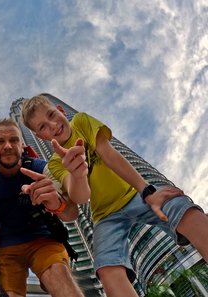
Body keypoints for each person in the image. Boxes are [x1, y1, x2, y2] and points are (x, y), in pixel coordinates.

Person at [21, 94, 208, 297]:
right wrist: (78, 174)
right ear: (40, 137)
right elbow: (81, 197)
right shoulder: (56, 164)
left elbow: (108, 153)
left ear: (61, 110)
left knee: (181, 208)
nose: (52, 124)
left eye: (52, 115)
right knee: (106, 267)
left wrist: (146, 190)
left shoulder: (81, 122)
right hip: (105, 216)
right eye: (42, 127)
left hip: (134, 194)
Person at [0, 118, 85, 297]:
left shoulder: (39, 168)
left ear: (22, 144)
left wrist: (58, 204)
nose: (8, 146)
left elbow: (72, 213)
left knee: (58, 275)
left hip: (43, 241)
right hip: (5, 248)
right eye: (0, 141)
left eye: (14, 140)